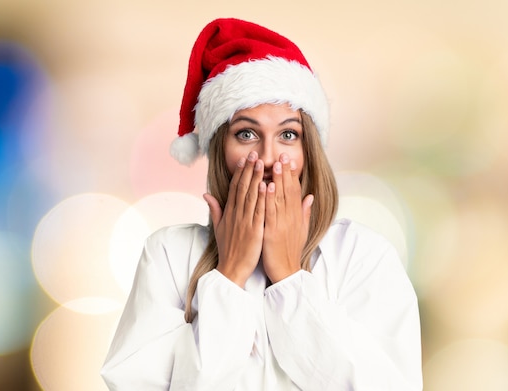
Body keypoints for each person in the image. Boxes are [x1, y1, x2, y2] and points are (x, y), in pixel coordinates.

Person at [101, 18, 423, 390]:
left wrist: (288, 276)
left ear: (308, 151)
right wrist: (229, 275)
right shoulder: (168, 256)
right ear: (220, 149)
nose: (269, 157)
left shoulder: (363, 256)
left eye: (288, 134)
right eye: (247, 134)